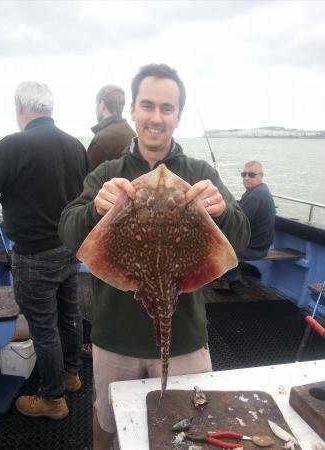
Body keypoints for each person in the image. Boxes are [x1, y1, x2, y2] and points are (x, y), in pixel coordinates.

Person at [58, 63, 250, 450]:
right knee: (107, 422)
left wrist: (223, 212)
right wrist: (97, 208)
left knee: (192, 428)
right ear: (132, 110)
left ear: (178, 116)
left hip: (186, 341)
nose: (156, 117)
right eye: (147, 105)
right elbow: (69, 230)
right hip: (115, 338)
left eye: (167, 108)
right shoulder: (107, 174)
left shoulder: (199, 173)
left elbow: (241, 237)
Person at [0, 81, 89, 419]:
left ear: (20, 107)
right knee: (69, 316)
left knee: (44, 329)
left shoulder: (11, 147)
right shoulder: (76, 145)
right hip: (69, 249)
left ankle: (52, 398)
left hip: (33, 256)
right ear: (50, 107)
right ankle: (71, 374)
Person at [213, 160, 276, 289]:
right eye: (244, 174)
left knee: (216, 248)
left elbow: (236, 224)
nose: (246, 178)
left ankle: (234, 279)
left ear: (261, 176)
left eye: (251, 175)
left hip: (255, 249)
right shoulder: (262, 190)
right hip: (263, 246)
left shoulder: (255, 196)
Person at [87, 84, 136, 171]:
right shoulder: (132, 135)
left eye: (96, 104)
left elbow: (88, 180)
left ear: (101, 104)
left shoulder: (101, 140)